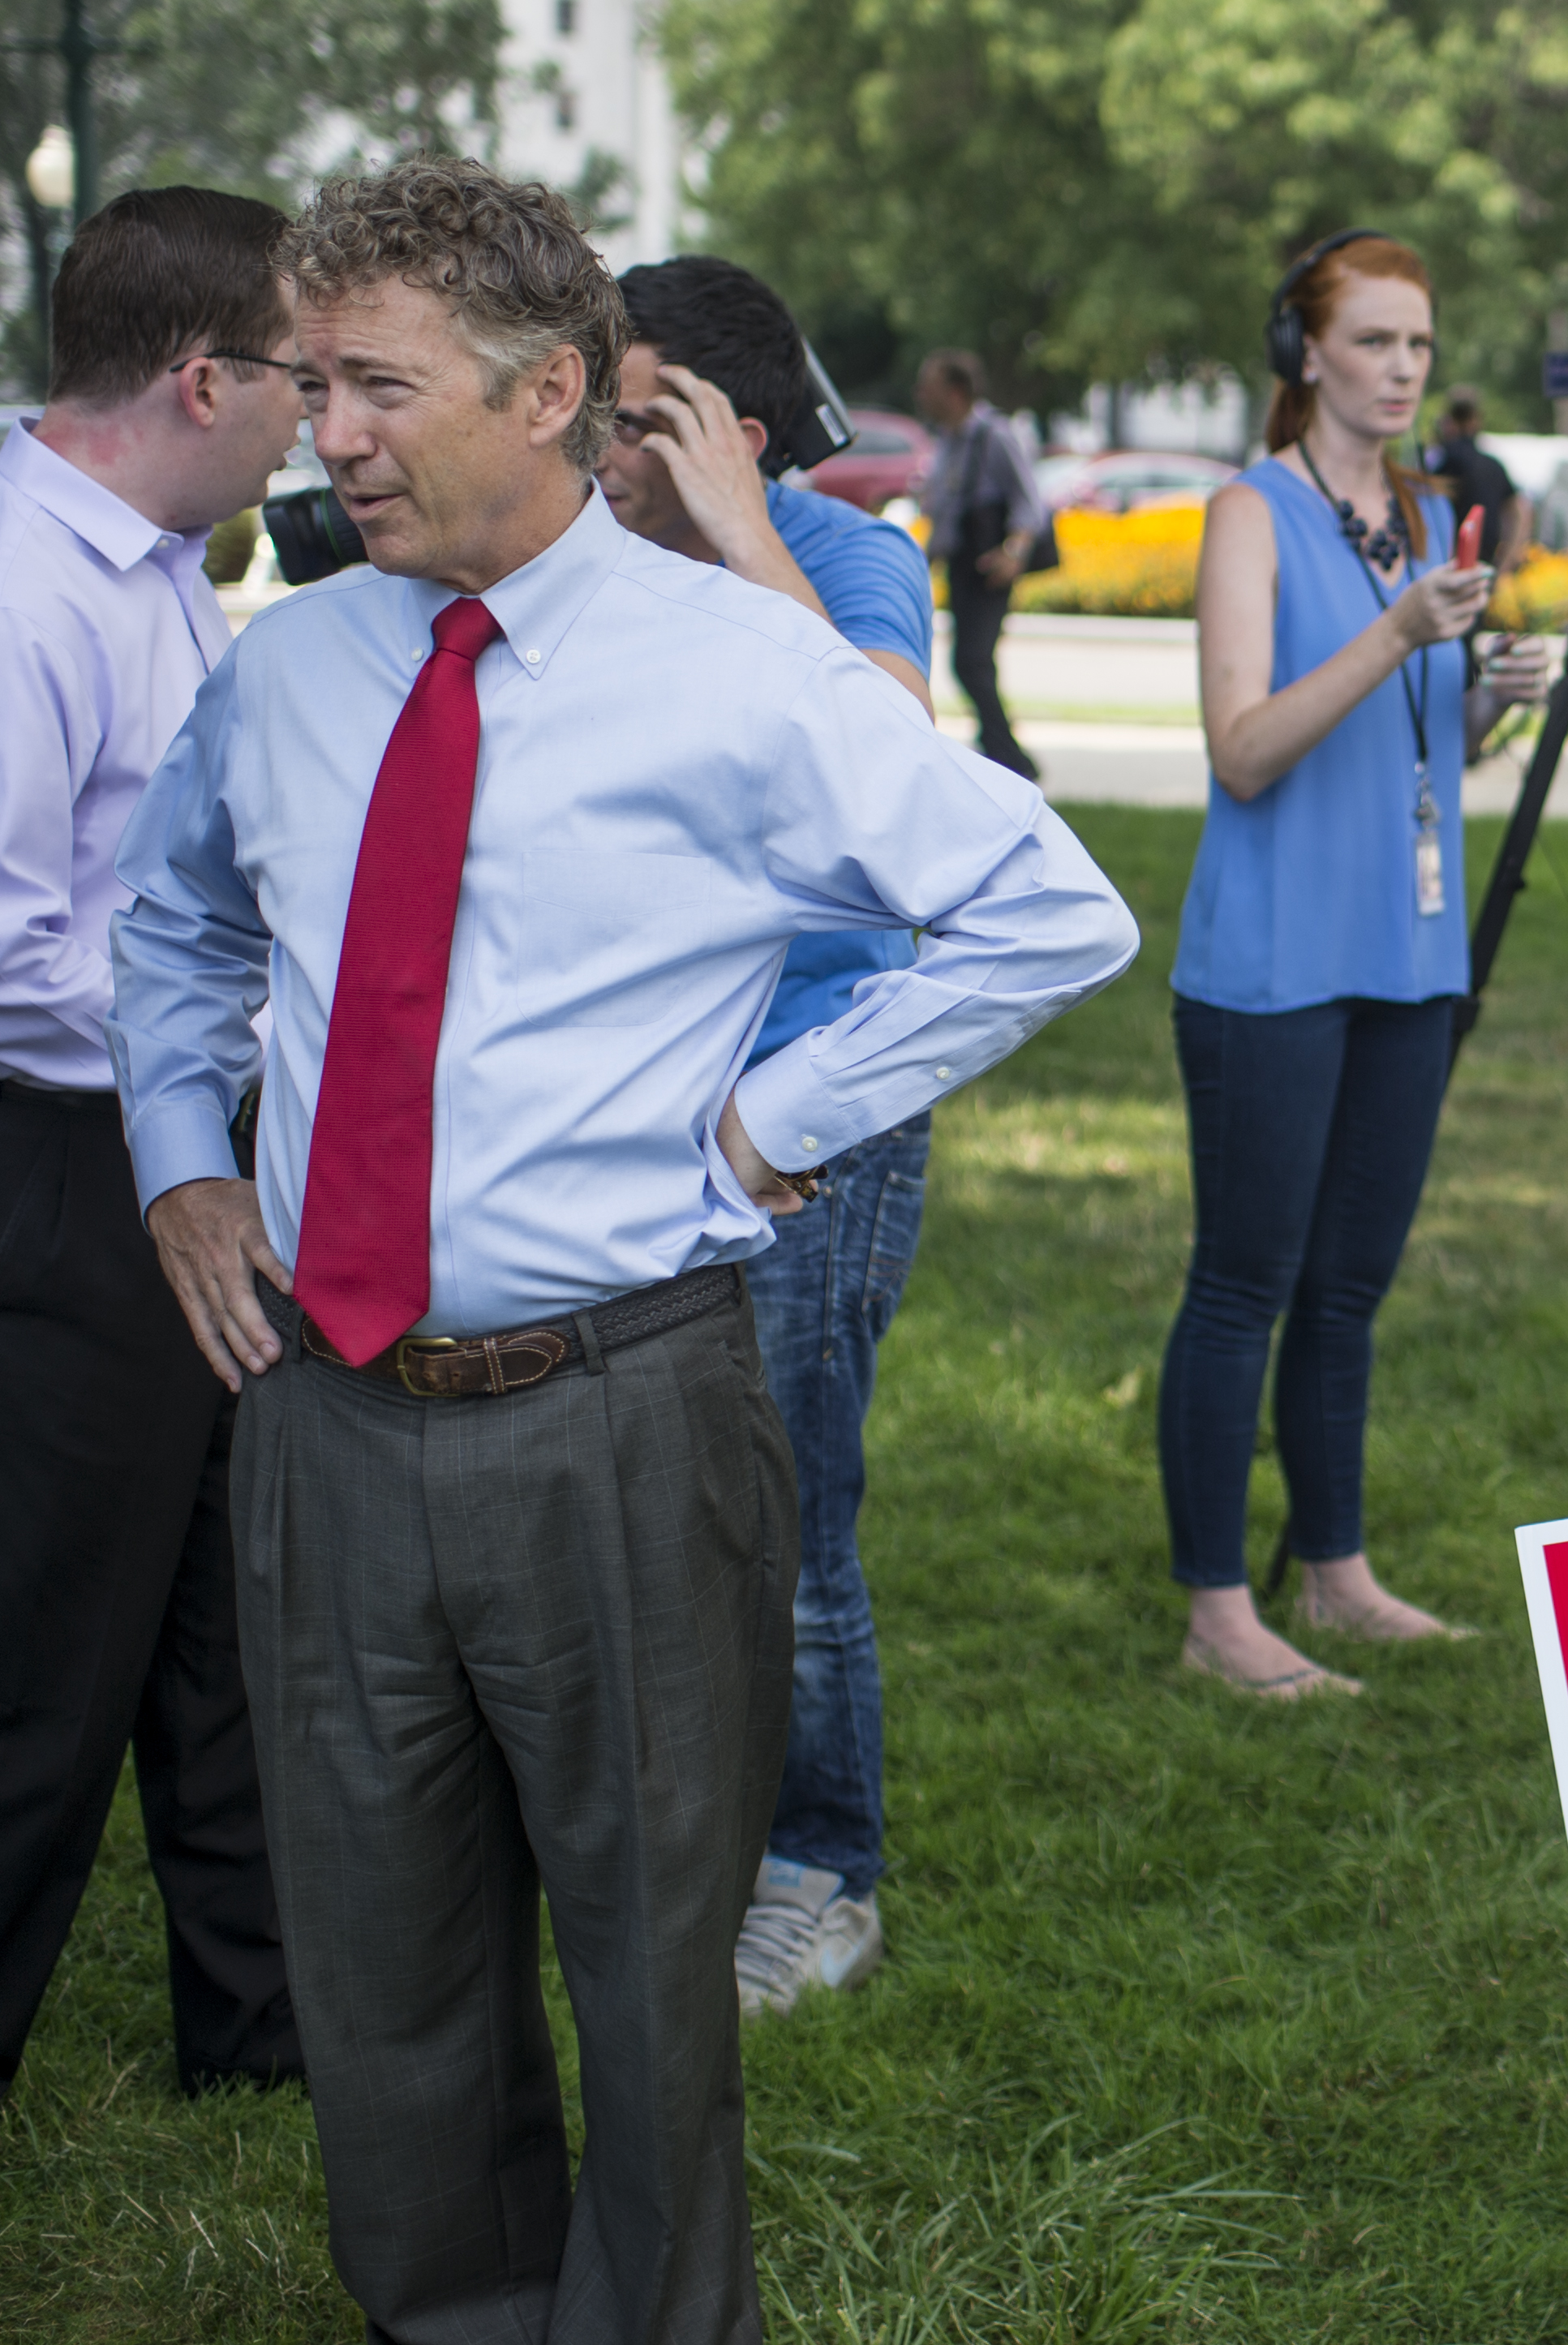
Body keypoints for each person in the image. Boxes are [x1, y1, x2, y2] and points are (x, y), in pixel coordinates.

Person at [107, 157, 1136, 2343]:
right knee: (381, 1964)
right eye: (313, 384)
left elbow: (1050, 907)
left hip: (622, 1409)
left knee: (652, 1963)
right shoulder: (291, 675)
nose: (332, 433)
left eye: (378, 386)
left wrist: (783, 1118)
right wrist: (183, 1156)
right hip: (320, 1414)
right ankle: (453, 2314)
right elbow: (177, 922)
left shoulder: (739, 675)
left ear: (550, 388)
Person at [603, 253, 943, 2019]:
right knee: (654, 1486)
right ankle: (679, 1827)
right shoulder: (605, 568)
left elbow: (899, 777)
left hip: (819, 1109)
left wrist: (746, 529)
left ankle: (820, 1868)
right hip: (652, 1105)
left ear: (726, 434)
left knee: (790, 1504)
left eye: (631, 409)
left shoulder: (840, 557)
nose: (592, 437)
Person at [0, 185, 304, 2106]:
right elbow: (12, 950)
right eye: (303, 375)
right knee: (45, 1656)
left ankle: (258, 2041)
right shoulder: (28, 587)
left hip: (187, 1152)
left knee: (224, 1628)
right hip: (70, 1174)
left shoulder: (160, 557)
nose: (324, 418)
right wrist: (219, 1054)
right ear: (202, 376)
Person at [1160, 231, 1548, 1699]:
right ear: (1301, 352)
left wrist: (1486, 697)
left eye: (1419, 348)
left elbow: (1422, 750)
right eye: (1374, 342)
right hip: (1271, 963)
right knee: (1241, 1285)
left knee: (1346, 1292)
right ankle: (1216, 1611)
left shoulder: (1435, 513)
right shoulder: (1249, 513)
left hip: (1406, 956)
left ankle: (1334, 1572)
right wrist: (1400, 635)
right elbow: (1245, 750)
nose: (1400, 371)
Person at [914, 346, 1044, 778]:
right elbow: (946, 508)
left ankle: (1011, 762)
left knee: (972, 661)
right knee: (969, 663)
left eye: (928, 386)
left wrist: (1014, 553)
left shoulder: (996, 435)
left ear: (953, 392)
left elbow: (1030, 502)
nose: (921, 395)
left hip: (989, 567)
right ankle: (1002, 756)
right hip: (960, 563)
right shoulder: (948, 440)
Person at [1420, 386, 1519, 565]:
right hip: (1485, 564)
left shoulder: (1444, 460)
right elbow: (1520, 511)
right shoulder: (1493, 465)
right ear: (1477, 420)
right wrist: (1505, 562)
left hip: (1451, 565)